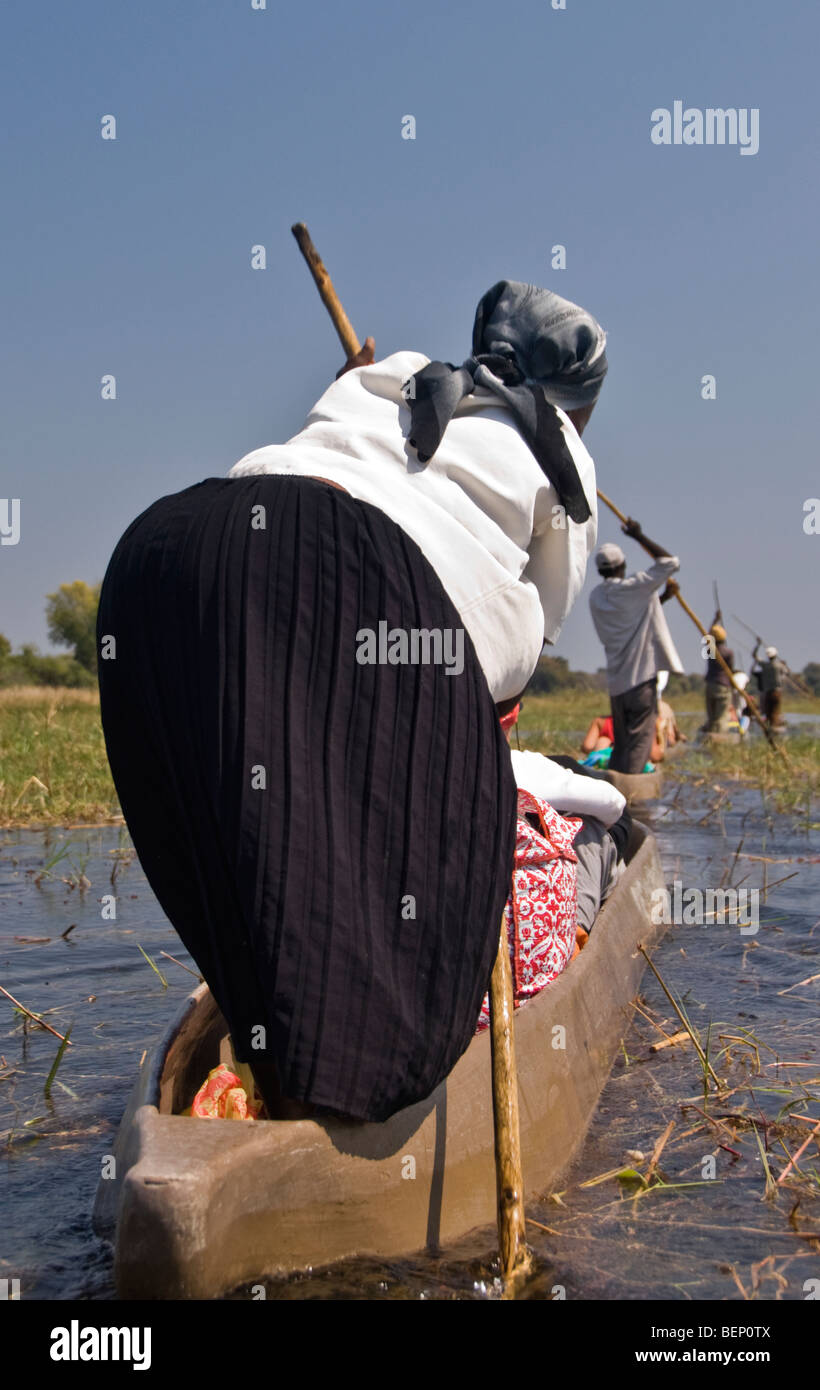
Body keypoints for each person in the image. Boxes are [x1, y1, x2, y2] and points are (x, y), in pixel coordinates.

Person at [97, 279, 607, 1123]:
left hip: (174, 552)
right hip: (361, 586)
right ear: (578, 402)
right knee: (424, 852)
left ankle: (256, 1054)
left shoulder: (391, 376)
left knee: (248, 825)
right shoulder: (564, 454)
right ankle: (340, 1082)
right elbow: (525, 647)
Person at [476, 706, 631, 1030]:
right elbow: (614, 805)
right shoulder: (529, 764)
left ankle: (574, 936)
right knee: (591, 834)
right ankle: (577, 936)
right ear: (512, 717)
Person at [588, 520, 684, 774]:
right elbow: (670, 563)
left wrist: (662, 598)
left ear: (600, 571)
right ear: (623, 565)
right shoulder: (634, 588)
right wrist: (639, 536)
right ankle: (631, 798)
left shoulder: (596, 597)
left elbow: (631, 617)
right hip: (640, 681)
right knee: (639, 744)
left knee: (622, 745)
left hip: (617, 684)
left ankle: (615, 788)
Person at [703, 618, 736, 733]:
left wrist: (714, 620)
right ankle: (719, 740)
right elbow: (730, 671)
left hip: (710, 686)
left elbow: (706, 637)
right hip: (723, 687)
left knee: (712, 718)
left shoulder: (709, 650)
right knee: (721, 718)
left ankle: (711, 736)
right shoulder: (728, 653)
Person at [752, 642, 788, 730]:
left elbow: (754, 656)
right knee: (776, 711)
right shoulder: (779, 665)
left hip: (767, 692)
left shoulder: (765, 665)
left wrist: (758, 645)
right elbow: (786, 672)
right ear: (775, 655)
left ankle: (770, 728)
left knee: (768, 712)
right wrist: (784, 665)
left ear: (768, 656)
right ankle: (774, 728)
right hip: (777, 692)